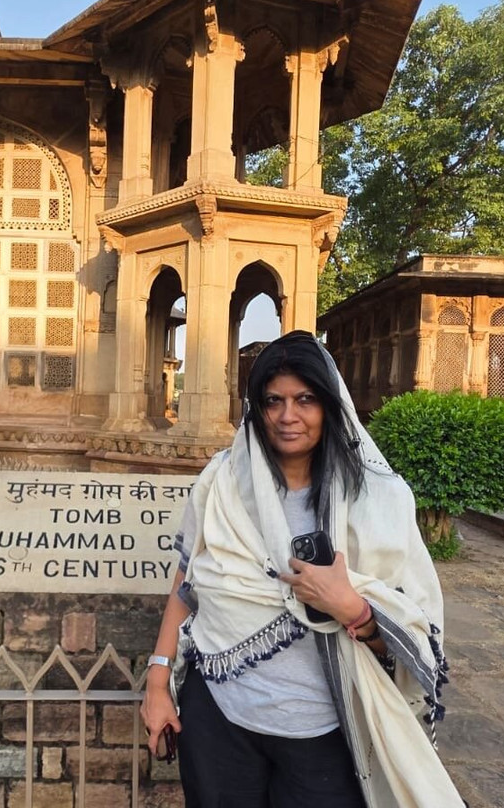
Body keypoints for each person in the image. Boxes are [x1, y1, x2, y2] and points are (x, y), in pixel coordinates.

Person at [141, 331, 462, 807]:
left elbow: (408, 629)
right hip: (220, 720)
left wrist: (352, 608)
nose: (287, 416)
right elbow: (188, 583)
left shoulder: (377, 498)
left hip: (324, 731)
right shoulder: (223, 482)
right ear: (257, 408)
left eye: (305, 399)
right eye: (273, 401)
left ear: (329, 405)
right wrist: (157, 684)